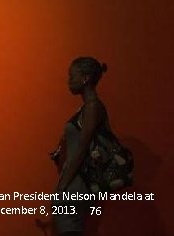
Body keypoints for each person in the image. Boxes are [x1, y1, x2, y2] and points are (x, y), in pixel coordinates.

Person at [50, 57, 113, 236]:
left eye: (72, 76)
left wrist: (61, 189)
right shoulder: (86, 108)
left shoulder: (93, 107)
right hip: (73, 182)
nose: (69, 81)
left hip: (76, 183)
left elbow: (82, 149)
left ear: (85, 78)